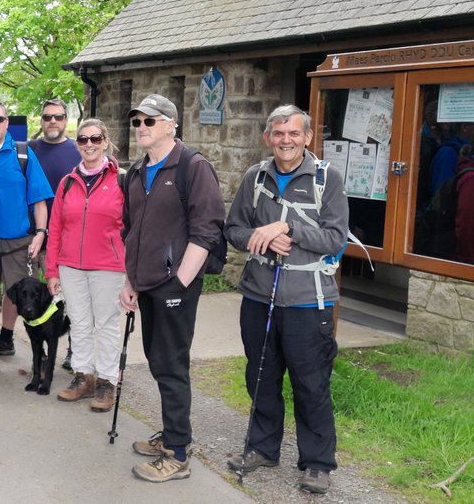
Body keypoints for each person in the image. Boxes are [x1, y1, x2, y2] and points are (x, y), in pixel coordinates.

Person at [224, 105, 348, 494]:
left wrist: (289, 228)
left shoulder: (327, 179)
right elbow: (233, 228)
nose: (286, 140)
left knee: (310, 383)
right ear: (268, 138)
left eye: (293, 133)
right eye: (278, 133)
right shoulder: (255, 177)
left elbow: (335, 239)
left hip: (308, 302)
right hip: (260, 296)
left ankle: (316, 462)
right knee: (260, 375)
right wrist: (258, 236)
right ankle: (262, 448)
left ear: (308, 137)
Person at [118, 93, 225, 483]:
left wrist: (180, 281)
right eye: (137, 122)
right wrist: (131, 281)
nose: (141, 128)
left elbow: (207, 228)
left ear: (170, 124)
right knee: (159, 361)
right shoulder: (135, 172)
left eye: (149, 121)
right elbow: (131, 231)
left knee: (172, 365)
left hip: (174, 286)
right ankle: (173, 434)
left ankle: (177, 453)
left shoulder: (192, 167)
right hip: (146, 284)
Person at [0, 100, 52, 378]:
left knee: (18, 297)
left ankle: (7, 336)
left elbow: (39, 199)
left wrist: (40, 233)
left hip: (19, 241)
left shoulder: (22, 154)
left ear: (7, 123)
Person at [45, 119, 124, 412]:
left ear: (105, 141)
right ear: (77, 143)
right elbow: (56, 228)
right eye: (82, 139)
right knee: (79, 322)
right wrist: (52, 270)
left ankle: (106, 382)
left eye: (95, 138)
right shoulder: (67, 183)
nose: (89, 144)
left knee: (105, 324)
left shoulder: (122, 181)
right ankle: (83, 376)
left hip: (109, 266)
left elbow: (132, 227)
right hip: (70, 266)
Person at [26, 98, 82, 370]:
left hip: (65, 236)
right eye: (47, 116)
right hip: (33, 235)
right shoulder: (29, 149)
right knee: (33, 296)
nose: (52, 122)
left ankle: (73, 349)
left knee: (66, 297)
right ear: (41, 119)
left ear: (65, 120)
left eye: (58, 117)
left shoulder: (78, 150)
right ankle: (38, 348)